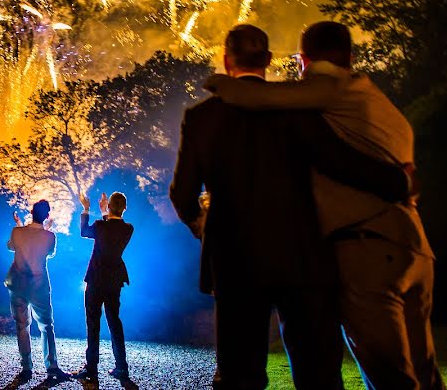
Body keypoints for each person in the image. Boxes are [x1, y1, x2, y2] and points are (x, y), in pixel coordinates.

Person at [169, 24, 413, 390]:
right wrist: (400, 181)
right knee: (317, 374)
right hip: (302, 255)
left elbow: (183, 194)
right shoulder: (297, 110)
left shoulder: (202, 118)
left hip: (235, 260)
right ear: (268, 60)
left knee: (239, 375)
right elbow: (341, 163)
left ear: (225, 60)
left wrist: (203, 227)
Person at [72, 191, 134, 382]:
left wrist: (86, 209)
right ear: (125, 208)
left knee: (93, 323)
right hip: (114, 280)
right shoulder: (128, 229)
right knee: (115, 321)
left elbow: (84, 231)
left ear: (108, 207)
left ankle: (91, 368)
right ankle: (121, 367)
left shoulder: (99, 226)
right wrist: (106, 212)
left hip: (96, 279)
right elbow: (112, 227)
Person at [5, 200, 69, 384]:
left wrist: (19, 226)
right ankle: (51, 366)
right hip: (39, 285)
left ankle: (26, 367)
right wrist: (46, 230)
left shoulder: (17, 232)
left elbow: (11, 246)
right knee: (47, 326)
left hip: (18, 284)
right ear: (47, 216)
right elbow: (49, 253)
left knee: (22, 326)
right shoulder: (50, 237)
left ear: (31, 212)